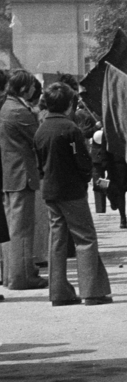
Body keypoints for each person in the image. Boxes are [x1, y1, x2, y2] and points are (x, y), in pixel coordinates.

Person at [33, 82, 111, 307]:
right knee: (85, 238)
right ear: (69, 104)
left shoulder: (41, 130)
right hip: (71, 191)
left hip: (50, 191)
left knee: (57, 241)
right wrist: (86, 175)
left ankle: (58, 292)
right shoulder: (71, 130)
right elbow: (81, 159)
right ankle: (91, 291)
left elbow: (39, 162)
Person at [2, 72, 47, 290]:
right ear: (23, 89)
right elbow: (38, 138)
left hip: (10, 175)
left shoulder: (7, 107)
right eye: (31, 87)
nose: (34, 90)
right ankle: (21, 277)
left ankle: (14, 274)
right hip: (21, 175)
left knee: (13, 229)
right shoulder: (18, 111)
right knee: (22, 229)